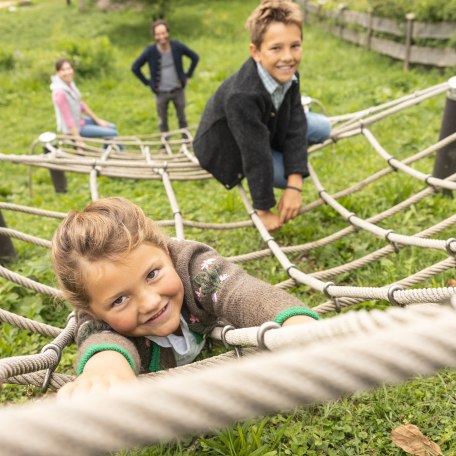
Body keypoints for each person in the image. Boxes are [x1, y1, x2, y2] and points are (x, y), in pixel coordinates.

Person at [51, 197, 319, 397]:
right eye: (119, 300)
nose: (150, 302)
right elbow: (100, 338)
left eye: (152, 274)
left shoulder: (193, 266)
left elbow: (241, 292)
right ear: (93, 310)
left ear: (167, 253)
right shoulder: (94, 316)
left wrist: (295, 322)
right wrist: (105, 368)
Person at [193, 0, 331, 232]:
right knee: (281, 175)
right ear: (255, 52)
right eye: (276, 48)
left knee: (324, 127)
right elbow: (255, 153)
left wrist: (295, 186)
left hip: (266, 126)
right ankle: (277, 163)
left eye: (295, 46)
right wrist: (264, 210)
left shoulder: (288, 73)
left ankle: (283, 150)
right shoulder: (242, 96)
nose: (288, 57)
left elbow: (296, 123)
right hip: (229, 145)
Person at [131, 19, 199, 134]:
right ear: (154, 36)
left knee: (182, 118)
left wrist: (188, 74)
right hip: (160, 92)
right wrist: (148, 82)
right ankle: (165, 143)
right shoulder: (150, 51)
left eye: (163, 33)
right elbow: (135, 67)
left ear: (168, 33)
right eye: (158, 34)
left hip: (178, 89)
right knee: (163, 120)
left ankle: (185, 141)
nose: (161, 37)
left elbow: (195, 57)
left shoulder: (177, 46)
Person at [50, 58, 121, 145]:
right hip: (74, 129)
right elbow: (68, 119)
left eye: (69, 68)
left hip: (80, 121)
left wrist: (98, 121)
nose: (67, 72)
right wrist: (78, 139)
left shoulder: (70, 84)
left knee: (112, 127)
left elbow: (81, 105)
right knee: (112, 133)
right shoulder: (60, 93)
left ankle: (109, 153)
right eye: (63, 70)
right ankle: (121, 155)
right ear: (57, 72)